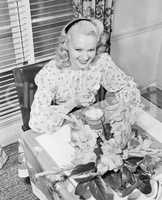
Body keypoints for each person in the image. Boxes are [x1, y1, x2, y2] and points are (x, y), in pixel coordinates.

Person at [29, 18, 141, 135]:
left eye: (91, 50)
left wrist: (122, 107)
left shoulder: (101, 62)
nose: (85, 57)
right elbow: (37, 122)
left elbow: (127, 87)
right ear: (66, 45)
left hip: (92, 123)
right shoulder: (51, 72)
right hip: (62, 126)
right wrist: (73, 102)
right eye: (78, 49)